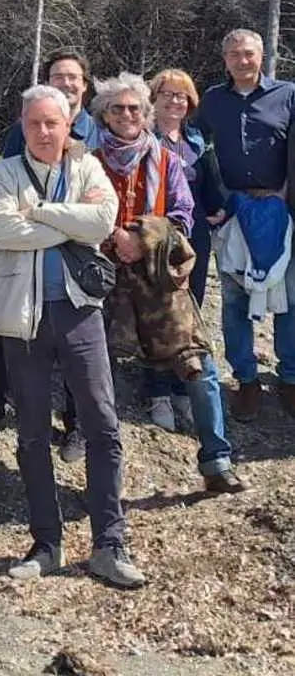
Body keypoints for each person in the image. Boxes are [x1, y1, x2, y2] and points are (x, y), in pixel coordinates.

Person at [0, 85, 146, 590]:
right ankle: (46, 543)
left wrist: (41, 213)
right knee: (30, 433)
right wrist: (70, 222)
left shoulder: (88, 169)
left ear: (69, 124)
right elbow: (4, 232)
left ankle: (109, 543)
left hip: (80, 315)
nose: (45, 132)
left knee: (102, 424)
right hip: (22, 320)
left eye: (53, 123)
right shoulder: (0, 175)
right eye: (35, 124)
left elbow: (103, 220)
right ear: (23, 126)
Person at [92, 73, 244, 494]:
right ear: (105, 114)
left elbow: (182, 215)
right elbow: (77, 213)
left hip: (159, 279)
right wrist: (112, 241)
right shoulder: (87, 161)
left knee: (199, 365)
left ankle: (216, 460)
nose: (127, 115)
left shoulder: (166, 161)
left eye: (134, 108)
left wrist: (141, 237)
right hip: (104, 279)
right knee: (93, 371)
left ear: (146, 112)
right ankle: (102, 467)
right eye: (117, 108)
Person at [0, 49, 103, 461]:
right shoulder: (20, 129)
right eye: (56, 76)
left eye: (72, 77)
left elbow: (97, 213)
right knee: (1, 335)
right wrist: (69, 221)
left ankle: (75, 427)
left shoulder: (94, 133)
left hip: (73, 269)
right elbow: (7, 205)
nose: (65, 83)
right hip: (17, 267)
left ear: (85, 84)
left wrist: (45, 216)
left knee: (75, 350)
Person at [196, 28, 295, 421]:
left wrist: (287, 195)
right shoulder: (213, 100)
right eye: (234, 54)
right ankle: (247, 380)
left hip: (280, 206)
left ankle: (289, 378)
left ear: (262, 56)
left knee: (289, 297)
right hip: (234, 208)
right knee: (235, 298)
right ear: (225, 60)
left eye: (249, 53)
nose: (242, 60)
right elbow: (194, 145)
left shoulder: (287, 94)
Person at [148, 69, 215, 430]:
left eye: (182, 96)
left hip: (195, 239)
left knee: (189, 315)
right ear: (154, 99)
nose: (175, 101)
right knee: (159, 315)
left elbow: (208, 189)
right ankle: (157, 393)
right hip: (157, 238)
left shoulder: (197, 140)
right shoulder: (144, 138)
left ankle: (180, 389)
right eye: (167, 94)